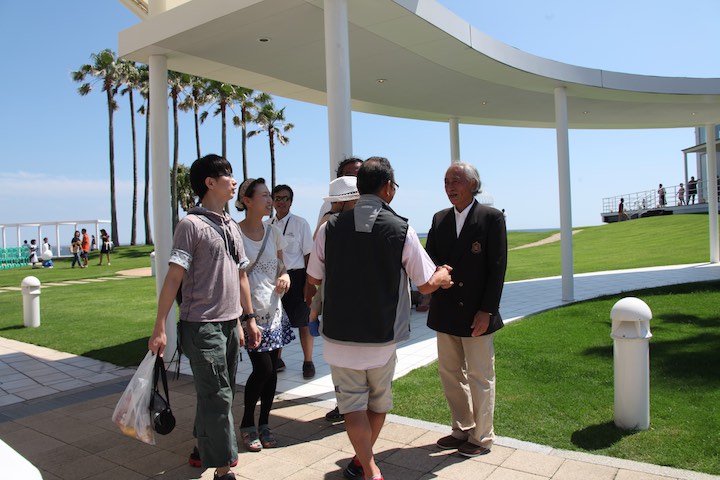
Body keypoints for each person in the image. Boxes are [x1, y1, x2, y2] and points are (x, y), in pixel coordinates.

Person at [307, 157, 453, 480]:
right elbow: (425, 283)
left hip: (339, 335)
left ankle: (364, 463)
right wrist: (442, 275)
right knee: (378, 403)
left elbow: (313, 277)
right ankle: (369, 466)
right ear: (388, 188)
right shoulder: (401, 228)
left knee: (352, 406)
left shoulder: (329, 228)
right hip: (382, 335)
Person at [148, 154, 260, 480]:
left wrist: (247, 319)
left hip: (229, 324)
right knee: (219, 395)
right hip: (201, 327)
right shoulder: (190, 225)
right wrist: (159, 327)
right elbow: (174, 276)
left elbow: (241, 276)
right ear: (210, 182)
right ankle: (223, 469)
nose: (234, 180)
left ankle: (201, 448)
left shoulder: (230, 226)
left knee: (218, 393)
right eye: (228, 175)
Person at [425, 161, 507, 458]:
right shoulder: (440, 218)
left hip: (476, 312)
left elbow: (497, 268)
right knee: (450, 373)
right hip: (446, 309)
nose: (450, 187)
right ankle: (462, 427)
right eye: (446, 181)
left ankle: (482, 437)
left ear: (473, 184)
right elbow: (430, 256)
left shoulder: (491, 218)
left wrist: (487, 310)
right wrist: (438, 272)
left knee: (480, 375)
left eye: (456, 181)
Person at [235, 177, 295, 452]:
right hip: (250, 314)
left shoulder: (273, 232)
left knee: (271, 373)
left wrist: (285, 276)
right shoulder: (235, 234)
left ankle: (265, 423)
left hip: (274, 312)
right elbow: (234, 277)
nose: (270, 200)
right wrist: (243, 319)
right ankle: (248, 423)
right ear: (247, 201)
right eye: (264, 196)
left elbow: (281, 265)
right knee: (264, 369)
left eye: (270, 195)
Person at [268, 184, 316, 378]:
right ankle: (277, 359)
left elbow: (308, 256)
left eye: (285, 198)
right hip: (274, 279)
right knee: (276, 321)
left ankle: (308, 361)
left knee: (303, 322)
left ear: (291, 201)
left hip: (297, 277)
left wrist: (308, 285)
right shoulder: (267, 225)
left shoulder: (300, 224)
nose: (281, 202)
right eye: (277, 198)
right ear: (272, 201)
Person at [316, 157, 363, 228]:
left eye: (360, 175)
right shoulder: (329, 204)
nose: (355, 179)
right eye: (350, 176)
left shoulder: (375, 200)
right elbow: (321, 232)